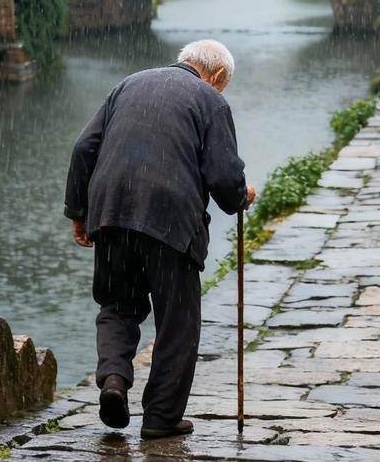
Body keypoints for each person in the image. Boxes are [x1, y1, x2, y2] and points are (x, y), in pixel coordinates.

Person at [64, 39, 256, 440]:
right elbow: (223, 176)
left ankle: (114, 379)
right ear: (217, 76)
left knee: (118, 304)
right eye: (223, 84)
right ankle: (161, 417)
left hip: (112, 211)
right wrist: (241, 197)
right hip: (169, 216)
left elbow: (84, 147)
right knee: (177, 320)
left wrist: (79, 214)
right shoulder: (210, 99)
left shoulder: (128, 84)